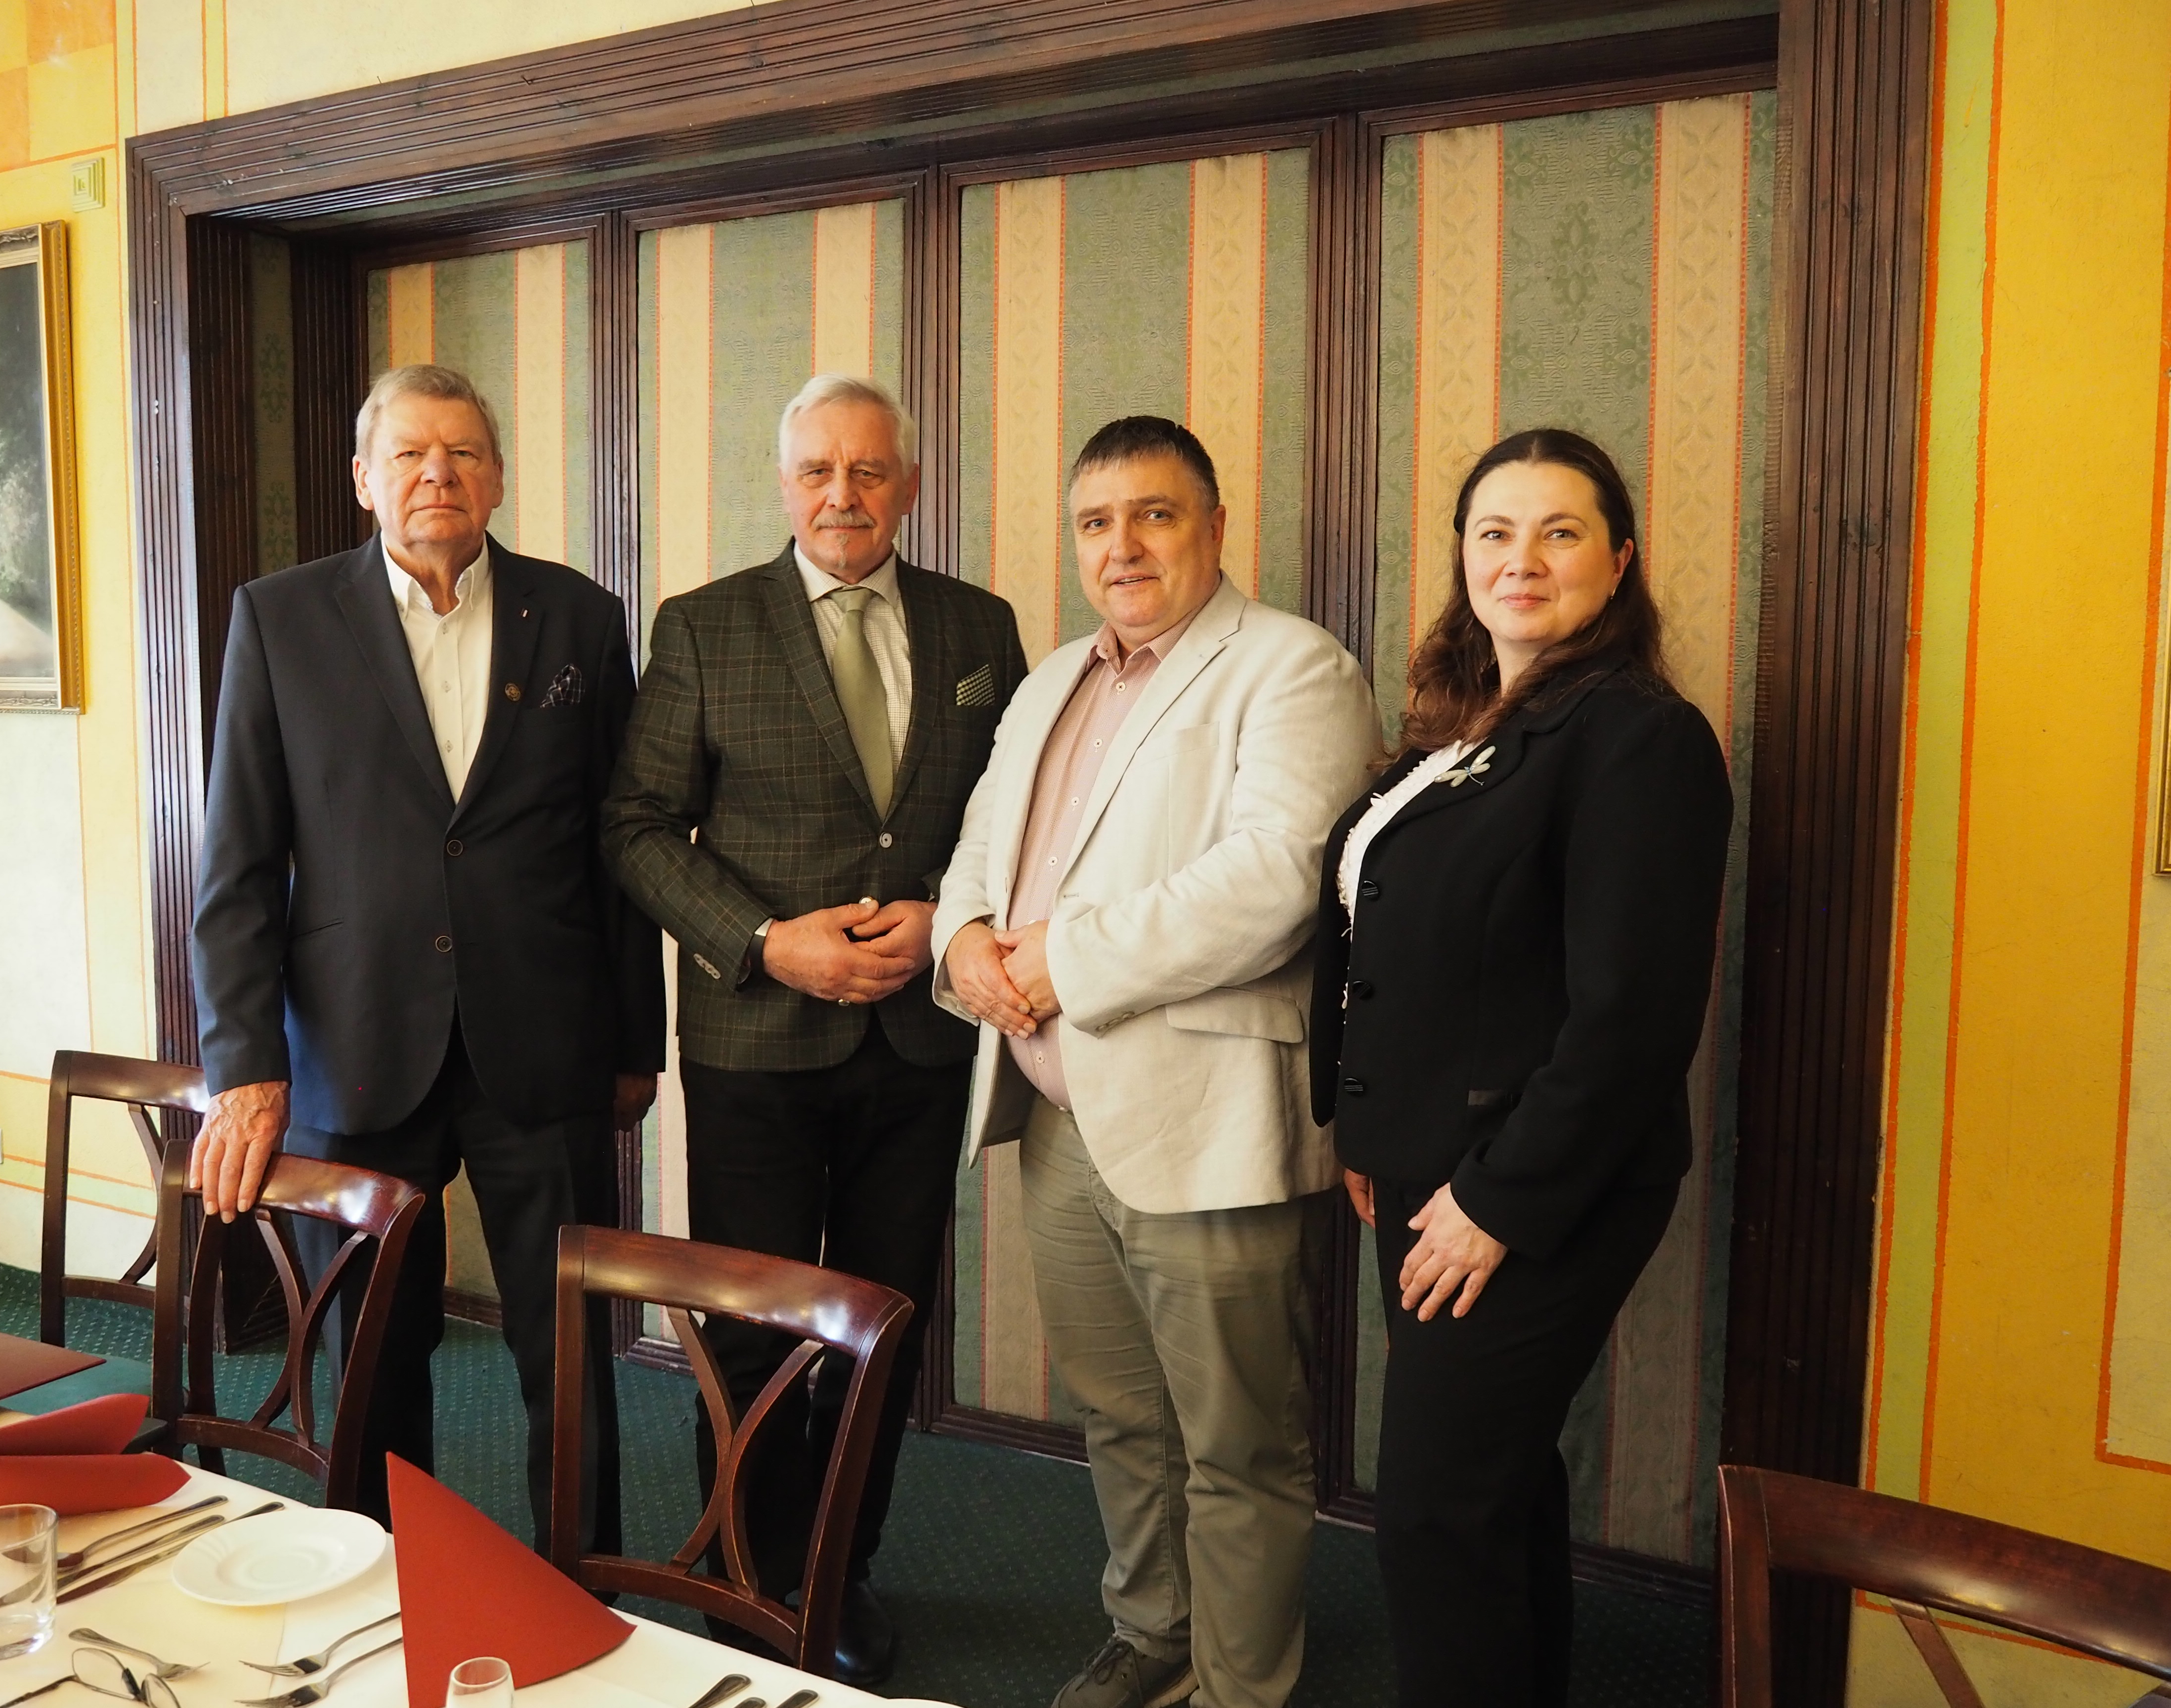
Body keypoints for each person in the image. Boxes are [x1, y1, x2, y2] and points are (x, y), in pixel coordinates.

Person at [934, 416, 1379, 1708]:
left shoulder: (1293, 666)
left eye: (1154, 515)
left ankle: (1241, 1687)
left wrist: (1059, 963)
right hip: (1058, 1124)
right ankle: (1156, 1634)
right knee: (1122, 1419)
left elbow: (1274, 883)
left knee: (1238, 1442)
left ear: (1215, 528)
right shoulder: (1050, 681)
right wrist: (961, 942)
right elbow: (979, 850)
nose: (1121, 546)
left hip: (1205, 1125)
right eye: (1096, 523)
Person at [190, 363, 664, 1553]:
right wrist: (244, 1064)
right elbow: (237, 863)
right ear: (364, 479)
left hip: (543, 1044)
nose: (436, 474)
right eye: (408, 453)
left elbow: (618, 844)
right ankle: (376, 1578)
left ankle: (581, 1594)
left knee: (569, 1354)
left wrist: (633, 1040)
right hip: (353, 1045)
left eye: (461, 452)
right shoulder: (280, 618)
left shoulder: (581, 617)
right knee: (370, 1355)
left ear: (497, 477)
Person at [601, 373, 1026, 1685]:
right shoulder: (704, 626)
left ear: (909, 484)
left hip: (920, 1046)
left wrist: (942, 918)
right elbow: (636, 828)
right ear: (785, 485)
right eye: (818, 472)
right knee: (751, 1333)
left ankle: (840, 1572)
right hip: (756, 1049)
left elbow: (1014, 823)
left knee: (882, 1327)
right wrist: (764, 940)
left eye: (869, 471)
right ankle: (745, 1575)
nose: (844, 496)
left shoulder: (981, 627)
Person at [1311, 428, 1731, 1708]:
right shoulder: (1470, 727)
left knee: (1438, 1511)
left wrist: (1495, 1201)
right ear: (1462, 555)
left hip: (1533, 1187)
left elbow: (1632, 1021)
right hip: (1427, 1169)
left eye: (1560, 533)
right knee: (1492, 1488)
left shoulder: (1640, 737)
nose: (1522, 560)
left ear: (1622, 560)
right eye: (1495, 533)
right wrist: (1372, 1133)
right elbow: (1405, 946)